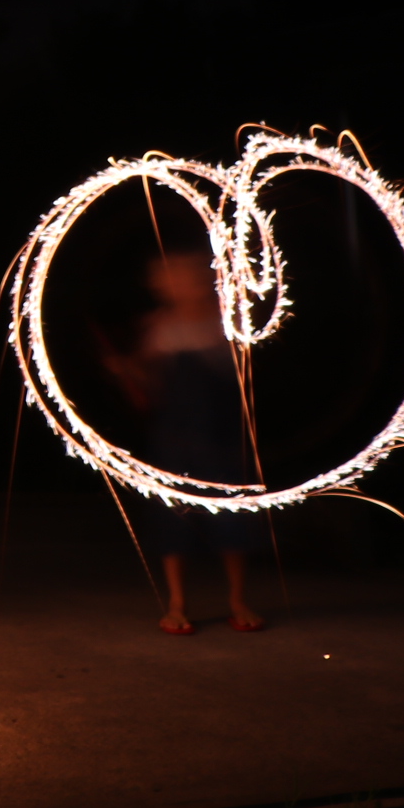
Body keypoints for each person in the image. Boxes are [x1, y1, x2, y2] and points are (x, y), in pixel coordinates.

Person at [116, 251, 269, 635]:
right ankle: (177, 603)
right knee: (174, 518)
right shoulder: (160, 326)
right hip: (175, 435)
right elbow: (148, 389)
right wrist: (127, 371)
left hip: (220, 434)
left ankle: (237, 599)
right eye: (166, 278)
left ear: (202, 280)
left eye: (180, 277)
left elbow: (246, 375)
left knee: (232, 515)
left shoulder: (227, 322)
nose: (172, 284)